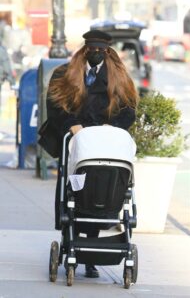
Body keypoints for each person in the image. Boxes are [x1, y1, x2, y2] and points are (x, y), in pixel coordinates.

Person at [38, 30, 139, 278]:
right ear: (85, 49)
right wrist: (71, 124)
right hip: (76, 143)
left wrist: (113, 127)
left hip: (103, 144)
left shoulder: (118, 75)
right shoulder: (66, 73)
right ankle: (71, 239)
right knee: (74, 193)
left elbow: (128, 108)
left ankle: (91, 256)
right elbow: (55, 103)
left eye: (100, 51)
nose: (95, 54)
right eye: (91, 49)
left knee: (99, 193)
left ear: (107, 52)